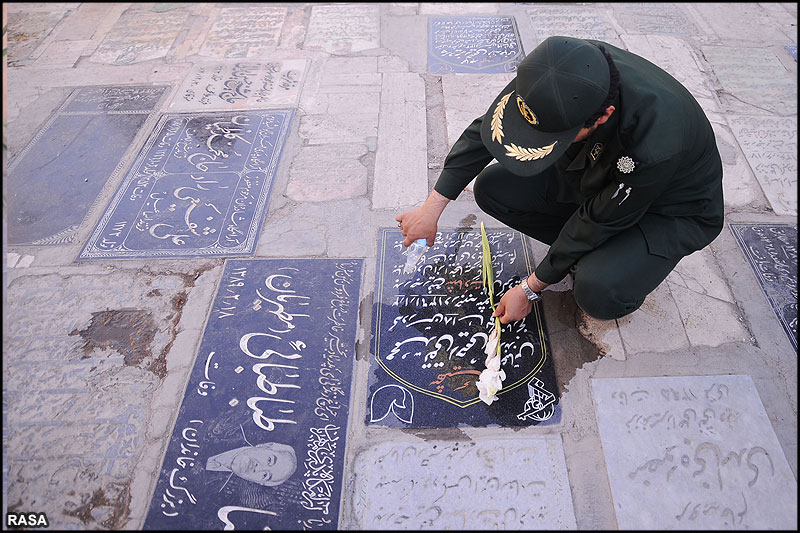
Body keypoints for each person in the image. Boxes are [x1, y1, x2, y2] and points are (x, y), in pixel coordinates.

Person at [396, 36, 723, 324]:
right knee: (495, 189)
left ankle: (616, 262)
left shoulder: (654, 142)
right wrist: (431, 209)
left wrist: (530, 288)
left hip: (663, 208)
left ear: (604, 115)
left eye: (554, 135)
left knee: (598, 291)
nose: (535, 139)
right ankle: (588, 254)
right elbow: (490, 129)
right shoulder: (559, 66)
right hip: (595, 174)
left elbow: (598, 218)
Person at [206, 442, 297, 486]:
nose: (258, 468)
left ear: (258, 482)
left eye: (265, 475)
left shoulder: (217, 489)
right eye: (269, 460)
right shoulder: (228, 427)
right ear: (266, 446)